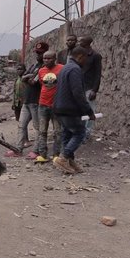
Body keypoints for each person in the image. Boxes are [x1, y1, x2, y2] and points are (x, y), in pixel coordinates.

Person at [53, 46, 95, 174]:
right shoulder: (75, 69)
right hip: (70, 108)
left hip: (60, 107)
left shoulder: (64, 68)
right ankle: (64, 158)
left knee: (67, 134)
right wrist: (88, 110)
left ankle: (70, 161)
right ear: (80, 56)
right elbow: (78, 93)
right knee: (79, 133)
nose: (86, 62)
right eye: (85, 59)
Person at [6, 42, 47, 158]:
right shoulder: (34, 66)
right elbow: (24, 78)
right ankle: (18, 149)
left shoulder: (44, 67)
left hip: (36, 101)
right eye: (37, 53)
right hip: (27, 101)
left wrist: (29, 77)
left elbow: (34, 81)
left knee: (38, 127)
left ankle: (37, 150)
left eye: (40, 53)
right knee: (21, 125)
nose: (37, 55)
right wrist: (30, 77)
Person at [30, 50, 63, 162]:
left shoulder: (61, 69)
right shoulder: (41, 71)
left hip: (57, 105)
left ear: (55, 59)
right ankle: (43, 155)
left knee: (57, 131)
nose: (46, 60)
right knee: (42, 130)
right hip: (43, 104)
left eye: (49, 58)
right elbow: (41, 83)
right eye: (45, 58)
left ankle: (56, 155)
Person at [78, 35, 102, 139]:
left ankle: (86, 134)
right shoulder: (79, 55)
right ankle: (79, 133)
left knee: (89, 111)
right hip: (79, 87)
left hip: (89, 88)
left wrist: (94, 90)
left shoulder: (95, 55)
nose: (79, 42)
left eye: (81, 41)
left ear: (87, 43)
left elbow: (98, 73)